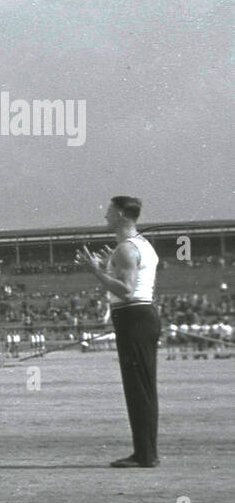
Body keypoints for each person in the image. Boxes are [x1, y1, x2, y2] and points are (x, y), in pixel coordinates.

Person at [76, 195, 161, 468]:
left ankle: (145, 455)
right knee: (143, 387)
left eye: (110, 211)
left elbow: (125, 291)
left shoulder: (126, 249)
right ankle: (146, 452)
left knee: (138, 388)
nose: (106, 216)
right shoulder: (140, 245)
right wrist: (105, 268)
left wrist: (95, 272)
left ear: (122, 215)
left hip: (133, 317)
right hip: (140, 315)